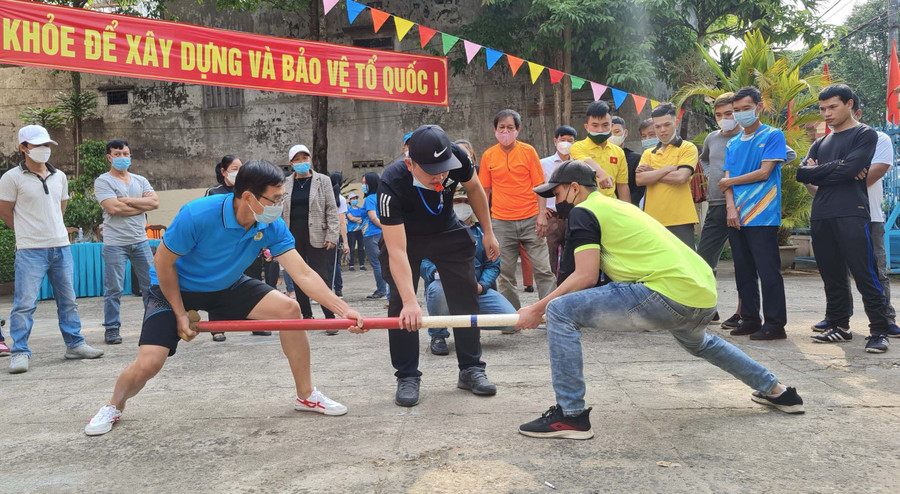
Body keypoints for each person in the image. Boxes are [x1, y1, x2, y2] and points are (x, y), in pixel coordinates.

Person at [515, 160, 804, 440]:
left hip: (665, 292)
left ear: (574, 188)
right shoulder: (617, 206)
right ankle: (778, 391)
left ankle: (570, 415)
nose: (554, 201)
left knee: (560, 311)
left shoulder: (584, 211)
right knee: (701, 342)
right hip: (701, 295)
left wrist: (538, 308)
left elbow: (586, 275)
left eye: (556, 193)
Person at [83, 160, 364, 436]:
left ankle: (306, 395)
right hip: (176, 288)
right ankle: (113, 405)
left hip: (226, 285)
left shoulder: (271, 223)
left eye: (283, 198)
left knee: (289, 310)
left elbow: (302, 273)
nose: (281, 205)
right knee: (149, 362)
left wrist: (343, 309)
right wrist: (180, 313)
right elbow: (162, 262)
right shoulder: (197, 214)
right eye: (276, 198)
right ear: (248, 197)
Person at [377, 125, 500, 407]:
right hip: (405, 237)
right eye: (432, 171)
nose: (441, 176)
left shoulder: (457, 158)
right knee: (401, 305)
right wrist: (411, 301)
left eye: (444, 169)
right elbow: (396, 250)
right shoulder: (391, 184)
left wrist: (488, 231)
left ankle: (471, 369)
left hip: (447, 231)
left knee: (466, 297)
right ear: (410, 164)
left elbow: (475, 189)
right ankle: (407, 375)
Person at [0, 125, 104, 374]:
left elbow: (61, 207)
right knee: (25, 303)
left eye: (46, 145)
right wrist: (26, 231)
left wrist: (52, 230)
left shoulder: (60, 176)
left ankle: (75, 345)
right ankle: (20, 352)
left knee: (68, 300)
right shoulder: (11, 178)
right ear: (23, 148)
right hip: (30, 250)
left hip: (61, 247)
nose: (44, 150)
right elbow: (4, 211)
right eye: (37, 145)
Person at [798, 85, 893, 353]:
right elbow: (801, 174)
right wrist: (840, 169)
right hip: (822, 214)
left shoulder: (865, 134)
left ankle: (879, 331)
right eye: (822, 109)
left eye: (832, 107)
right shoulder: (820, 142)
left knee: (865, 273)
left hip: (853, 212)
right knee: (832, 275)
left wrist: (823, 171)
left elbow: (850, 168)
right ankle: (839, 327)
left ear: (849, 104)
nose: (826, 113)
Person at [717, 87, 788, 340]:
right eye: (735, 111)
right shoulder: (733, 143)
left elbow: (764, 172)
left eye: (745, 109)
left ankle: (775, 324)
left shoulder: (772, 135)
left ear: (758, 107)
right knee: (743, 269)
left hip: (763, 214)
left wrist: (730, 183)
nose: (740, 114)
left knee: (768, 270)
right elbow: (726, 180)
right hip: (737, 214)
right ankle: (749, 318)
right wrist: (730, 207)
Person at [425, 190, 517, 355]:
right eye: (456, 201)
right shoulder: (435, 230)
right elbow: (424, 261)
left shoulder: (483, 231)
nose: (461, 205)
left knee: (511, 320)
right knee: (437, 290)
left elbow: (493, 264)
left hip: (475, 291)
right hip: (445, 288)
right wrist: (434, 271)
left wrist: (481, 286)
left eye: (466, 201)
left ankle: (470, 325)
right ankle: (438, 335)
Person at [479, 109, 556, 309]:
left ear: (518, 129)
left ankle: (549, 314)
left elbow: (540, 186)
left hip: (531, 220)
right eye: (501, 128)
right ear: (494, 130)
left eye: (510, 128)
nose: (505, 132)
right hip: (501, 222)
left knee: (543, 269)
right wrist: (485, 224)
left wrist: (542, 215)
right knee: (504, 274)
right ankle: (511, 318)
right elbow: (483, 192)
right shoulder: (488, 156)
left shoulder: (528, 152)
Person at [93, 139, 159, 345]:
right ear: (109, 157)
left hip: (140, 241)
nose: (123, 158)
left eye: (126, 154)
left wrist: (126, 200)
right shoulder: (103, 181)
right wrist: (141, 205)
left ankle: (153, 325)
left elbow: (155, 203)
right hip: (115, 243)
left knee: (151, 287)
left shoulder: (140, 180)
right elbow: (113, 209)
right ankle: (112, 329)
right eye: (118, 154)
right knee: (114, 288)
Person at [205, 155, 270, 340]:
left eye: (241, 168)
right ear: (224, 171)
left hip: (249, 243)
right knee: (218, 286)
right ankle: (217, 328)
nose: (238, 172)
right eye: (234, 168)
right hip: (222, 248)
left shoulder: (250, 191)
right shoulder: (214, 192)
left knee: (255, 282)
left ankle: (257, 324)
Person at [697, 94, 743, 329]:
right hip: (716, 203)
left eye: (729, 113)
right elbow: (704, 159)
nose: (724, 119)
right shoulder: (712, 138)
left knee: (744, 261)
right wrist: (710, 175)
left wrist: (751, 181)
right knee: (704, 259)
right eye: (719, 115)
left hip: (744, 205)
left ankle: (742, 312)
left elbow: (786, 155)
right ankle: (708, 309)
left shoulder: (750, 136)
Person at [281, 144, 340, 323]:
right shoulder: (285, 182)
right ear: (291, 163)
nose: (301, 162)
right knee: (298, 275)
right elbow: (279, 210)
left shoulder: (323, 180)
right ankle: (306, 315)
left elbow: (331, 209)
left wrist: (332, 235)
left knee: (322, 276)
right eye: (297, 159)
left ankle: (329, 316)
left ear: (310, 160)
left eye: (304, 158)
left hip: (318, 235)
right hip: (292, 236)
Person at [635, 103, 699, 248]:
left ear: (676, 122)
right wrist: (666, 170)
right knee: (657, 266)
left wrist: (652, 173)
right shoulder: (648, 153)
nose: (662, 130)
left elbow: (680, 177)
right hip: (652, 219)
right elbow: (639, 179)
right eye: (657, 127)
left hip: (681, 218)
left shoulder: (687, 148)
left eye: (667, 124)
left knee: (685, 265)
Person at [570, 101, 630, 203]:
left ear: (611, 126)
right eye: (595, 125)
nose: (600, 130)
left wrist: (629, 211)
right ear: (587, 127)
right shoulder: (577, 147)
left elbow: (622, 185)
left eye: (605, 125)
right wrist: (601, 173)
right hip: (586, 208)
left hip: (610, 206)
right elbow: (586, 161)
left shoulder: (618, 152)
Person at [541, 125, 577, 275]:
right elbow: (536, 188)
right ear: (555, 141)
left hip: (573, 216)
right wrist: (541, 209)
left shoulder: (578, 164)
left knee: (573, 254)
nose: (566, 143)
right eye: (563, 140)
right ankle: (552, 290)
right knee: (549, 255)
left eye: (570, 140)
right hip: (552, 218)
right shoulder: (543, 163)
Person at [362, 171, 387, 299]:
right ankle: (385, 289)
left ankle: (381, 289)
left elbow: (373, 217)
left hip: (371, 234)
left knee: (376, 263)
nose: (363, 185)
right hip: (381, 234)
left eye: (364, 183)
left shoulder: (370, 199)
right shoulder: (381, 196)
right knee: (384, 262)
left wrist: (384, 228)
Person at [610, 116, 645, 207]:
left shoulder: (636, 158)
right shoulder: (600, 158)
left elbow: (639, 189)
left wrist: (628, 206)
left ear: (625, 133)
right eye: (609, 133)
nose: (612, 136)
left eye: (616, 132)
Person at [329, 172, 350, 298]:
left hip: (324, 234)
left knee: (324, 264)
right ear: (342, 184)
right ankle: (338, 289)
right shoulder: (341, 199)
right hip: (336, 235)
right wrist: (346, 242)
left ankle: (326, 289)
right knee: (335, 263)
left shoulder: (324, 196)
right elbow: (342, 222)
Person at [345, 192, 367, 271]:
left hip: (360, 230)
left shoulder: (360, 209)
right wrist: (359, 219)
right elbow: (351, 218)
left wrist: (357, 219)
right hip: (351, 231)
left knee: (361, 248)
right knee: (352, 248)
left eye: (355, 198)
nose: (355, 200)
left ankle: (362, 264)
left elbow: (363, 219)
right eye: (353, 198)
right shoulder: (348, 209)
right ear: (350, 200)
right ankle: (351, 265)